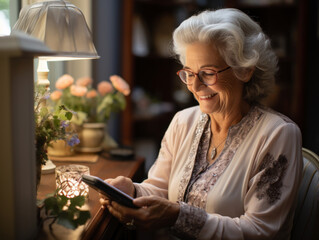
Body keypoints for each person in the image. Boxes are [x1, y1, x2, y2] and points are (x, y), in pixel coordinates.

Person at [100, 8, 303, 239]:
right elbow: (159, 189)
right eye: (189, 73)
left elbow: (262, 232)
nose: (194, 87)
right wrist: (132, 190)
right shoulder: (183, 121)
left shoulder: (278, 134)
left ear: (245, 70)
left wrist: (179, 216)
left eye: (207, 73)